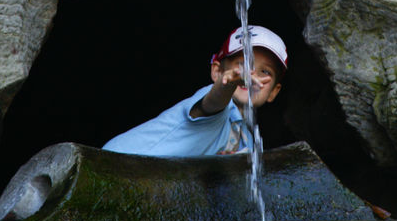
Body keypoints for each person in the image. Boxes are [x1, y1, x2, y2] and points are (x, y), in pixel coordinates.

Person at [102, 25, 287, 157]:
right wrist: (229, 83)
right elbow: (212, 104)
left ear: (273, 92)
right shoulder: (218, 104)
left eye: (265, 71)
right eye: (243, 64)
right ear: (217, 72)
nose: (250, 74)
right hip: (115, 163)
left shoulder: (247, 137)